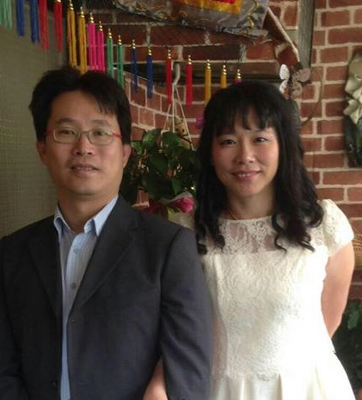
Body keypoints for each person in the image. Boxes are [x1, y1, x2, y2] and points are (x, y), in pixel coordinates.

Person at [0, 66, 213, 400]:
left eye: (100, 133)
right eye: (66, 132)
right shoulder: (12, 253)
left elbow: (188, 373)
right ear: (42, 149)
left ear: (125, 153)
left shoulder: (168, 248)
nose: (83, 147)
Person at [150, 80, 356, 399]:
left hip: (305, 388)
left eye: (260, 138)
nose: (245, 156)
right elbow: (180, 330)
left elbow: (328, 319)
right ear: (211, 153)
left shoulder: (323, 225)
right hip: (216, 389)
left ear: (282, 145)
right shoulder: (187, 233)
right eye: (228, 141)